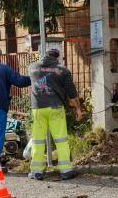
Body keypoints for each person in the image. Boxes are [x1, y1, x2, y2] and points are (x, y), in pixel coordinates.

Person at [27, 48, 83, 181]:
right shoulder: (62, 70)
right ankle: (65, 171)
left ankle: (36, 172)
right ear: (57, 58)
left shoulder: (32, 67)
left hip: (37, 109)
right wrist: (78, 109)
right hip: (55, 108)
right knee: (61, 139)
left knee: (38, 141)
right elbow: (72, 93)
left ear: (44, 55)